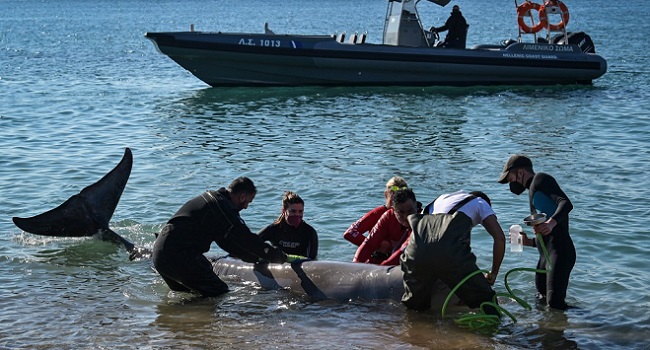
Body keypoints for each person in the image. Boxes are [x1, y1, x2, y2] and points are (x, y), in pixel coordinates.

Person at [152, 177, 294, 297]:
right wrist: (276, 256)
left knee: (192, 294)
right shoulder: (222, 209)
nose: (246, 207)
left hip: (160, 253)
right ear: (242, 196)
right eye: (248, 202)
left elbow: (228, 243)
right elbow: (246, 240)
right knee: (219, 292)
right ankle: (192, 322)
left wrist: (255, 259)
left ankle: (178, 323)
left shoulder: (213, 201)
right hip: (178, 255)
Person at [400, 191, 506, 314]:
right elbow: (500, 238)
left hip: (414, 250)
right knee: (487, 300)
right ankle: (502, 330)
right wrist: (493, 273)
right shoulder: (481, 202)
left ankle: (412, 330)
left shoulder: (441, 199)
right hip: (446, 250)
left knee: (416, 306)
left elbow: (426, 239)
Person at [497, 154, 576, 310]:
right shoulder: (533, 191)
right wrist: (528, 242)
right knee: (541, 300)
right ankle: (543, 332)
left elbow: (566, 204)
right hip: (545, 257)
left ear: (520, 173)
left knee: (555, 305)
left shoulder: (541, 179)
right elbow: (547, 235)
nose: (510, 183)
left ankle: (592, 325)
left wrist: (551, 222)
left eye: (510, 177)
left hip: (560, 254)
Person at [343, 176, 409, 258]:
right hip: (377, 259)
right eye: (393, 198)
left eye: (400, 200)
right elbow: (350, 232)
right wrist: (377, 245)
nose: (396, 203)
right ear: (386, 194)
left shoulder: (408, 214)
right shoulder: (377, 213)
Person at [353, 188, 418, 265]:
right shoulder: (388, 216)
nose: (406, 216)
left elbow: (404, 249)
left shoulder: (423, 221)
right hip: (389, 258)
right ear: (394, 210)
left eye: (410, 211)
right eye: (401, 212)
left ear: (416, 205)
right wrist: (355, 267)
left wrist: (382, 268)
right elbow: (369, 244)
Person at [258, 191, 319, 260]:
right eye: (293, 211)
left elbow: (312, 259)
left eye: (300, 211)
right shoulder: (273, 229)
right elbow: (252, 243)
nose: (297, 215)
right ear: (284, 211)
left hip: (301, 265)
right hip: (278, 266)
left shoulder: (309, 232)